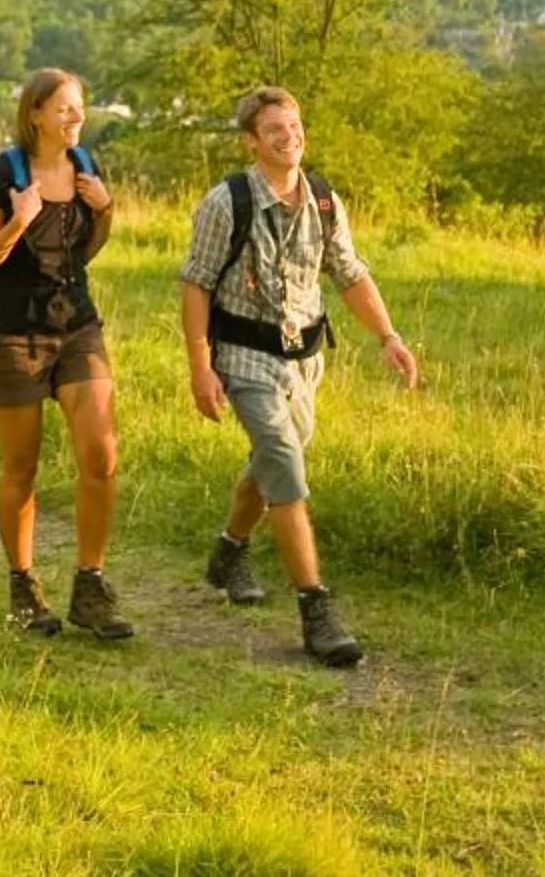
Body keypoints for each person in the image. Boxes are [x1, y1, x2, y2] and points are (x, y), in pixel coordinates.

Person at [178, 84, 420, 668]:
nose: (290, 138)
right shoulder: (225, 203)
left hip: (304, 359)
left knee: (272, 461)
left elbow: (349, 273)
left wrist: (388, 336)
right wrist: (200, 367)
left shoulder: (323, 199)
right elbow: (196, 284)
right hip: (242, 355)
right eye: (275, 131)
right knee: (283, 459)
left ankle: (230, 551)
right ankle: (316, 609)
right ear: (252, 142)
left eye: (295, 126)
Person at [0, 67, 132, 639]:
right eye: (63, 108)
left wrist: (105, 210)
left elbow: (85, 251)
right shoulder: (0, 175)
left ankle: (90, 585)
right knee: (22, 466)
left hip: (76, 325)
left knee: (102, 456)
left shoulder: (86, 168)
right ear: (35, 115)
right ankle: (24, 585)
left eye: (79, 106)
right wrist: (18, 221)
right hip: (12, 333)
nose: (75, 116)